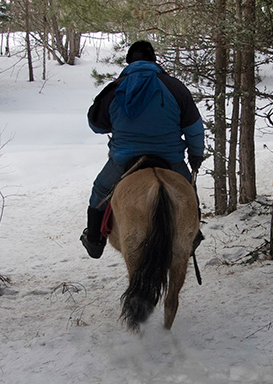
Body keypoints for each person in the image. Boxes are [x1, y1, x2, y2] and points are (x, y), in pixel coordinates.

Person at [81, 40, 205, 259]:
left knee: (100, 192)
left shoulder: (115, 89)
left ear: (129, 62)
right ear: (153, 60)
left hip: (124, 158)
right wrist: (196, 154)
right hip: (170, 158)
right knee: (189, 195)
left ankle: (94, 240)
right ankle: (192, 236)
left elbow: (96, 125)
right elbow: (194, 128)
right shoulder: (175, 87)